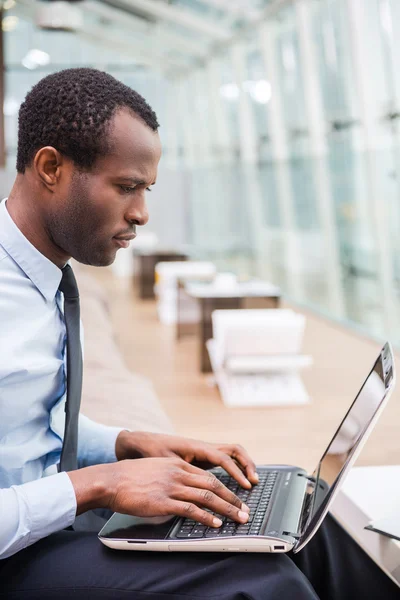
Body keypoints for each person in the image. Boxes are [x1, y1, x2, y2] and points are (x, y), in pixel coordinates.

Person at [0, 68, 398, 600]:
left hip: (52, 518)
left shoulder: (44, 277)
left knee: (301, 517)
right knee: (261, 581)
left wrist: (125, 442)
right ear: (51, 167)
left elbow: (26, 426)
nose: (141, 212)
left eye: (146, 188)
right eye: (126, 187)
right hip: (18, 553)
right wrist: (99, 483)